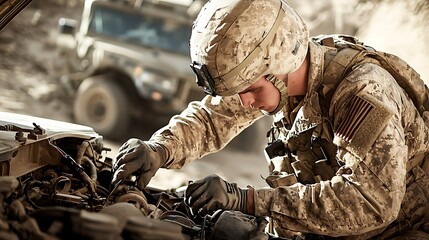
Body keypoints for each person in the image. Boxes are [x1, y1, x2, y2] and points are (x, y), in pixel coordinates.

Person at [111, 0, 429, 239]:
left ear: (280, 65)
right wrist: (159, 150)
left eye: (250, 90)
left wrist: (246, 200)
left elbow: (371, 201)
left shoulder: (362, 92)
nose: (245, 103)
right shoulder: (279, 79)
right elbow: (211, 118)